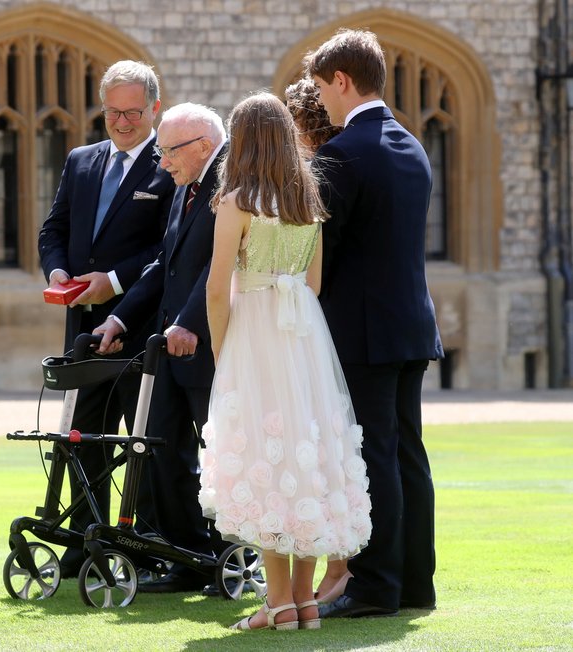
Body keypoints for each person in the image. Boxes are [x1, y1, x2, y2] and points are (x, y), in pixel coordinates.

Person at [200, 91, 372, 631]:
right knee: (307, 451)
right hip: (303, 337)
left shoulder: (237, 200)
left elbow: (214, 289)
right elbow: (315, 284)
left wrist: (224, 350)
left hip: (255, 331)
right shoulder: (308, 198)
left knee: (264, 454)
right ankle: (304, 599)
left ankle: (277, 603)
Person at [306, 29, 444, 618]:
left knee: (375, 457)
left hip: (363, 331)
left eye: (321, 89)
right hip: (412, 324)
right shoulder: (412, 145)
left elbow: (323, 250)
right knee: (408, 454)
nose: (321, 104)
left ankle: (376, 587)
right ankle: (416, 585)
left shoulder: (342, 152)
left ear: (342, 80)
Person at [37, 60, 175, 577]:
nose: (121, 122)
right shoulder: (81, 160)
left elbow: (170, 248)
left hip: (139, 328)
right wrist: (57, 272)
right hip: (81, 329)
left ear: (154, 108)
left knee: (142, 441)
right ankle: (83, 540)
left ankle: (144, 545)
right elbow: (54, 229)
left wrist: (113, 282)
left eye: (133, 112)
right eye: (113, 112)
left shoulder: (172, 163)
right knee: (80, 438)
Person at [92, 102, 228, 593]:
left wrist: (190, 322)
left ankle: (230, 556)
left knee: (221, 453)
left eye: (169, 151)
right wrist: (119, 316)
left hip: (210, 343)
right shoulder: (184, 186)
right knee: (160, 449)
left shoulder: (229, 186)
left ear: (204, 147)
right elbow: (163, 266)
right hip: (168, 343)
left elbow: (222, 267)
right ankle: (189, 556)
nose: (161, 161)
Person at [285, 76, 350, 605]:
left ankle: (336, 570)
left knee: (321, 452)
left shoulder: (319, 177)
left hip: (317, 330)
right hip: (312, 325)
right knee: (326, 450)